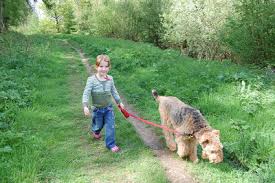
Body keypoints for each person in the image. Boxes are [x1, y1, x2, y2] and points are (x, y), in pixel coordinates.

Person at [82, 54, 124, 153]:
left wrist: (119, 102)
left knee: (110, 126)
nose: (103, 69)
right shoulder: (91, 80)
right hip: (97, 109)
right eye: (101, 66)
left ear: (109, 67)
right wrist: (85, 106)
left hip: (108, 108)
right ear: (96, 67)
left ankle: (111, 144)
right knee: (98, 125)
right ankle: (96, 131)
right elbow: (86, 93)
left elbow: (114, 91)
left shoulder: (110, 79)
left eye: (106, 66)